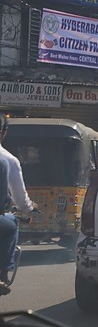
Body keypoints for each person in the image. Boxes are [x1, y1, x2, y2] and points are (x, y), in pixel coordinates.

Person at [0, 114, 35, 294]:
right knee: (11, 227)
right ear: (3, 133)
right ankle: (3, 274)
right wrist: (29, 209)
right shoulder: (7, 161)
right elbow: (20, 199)